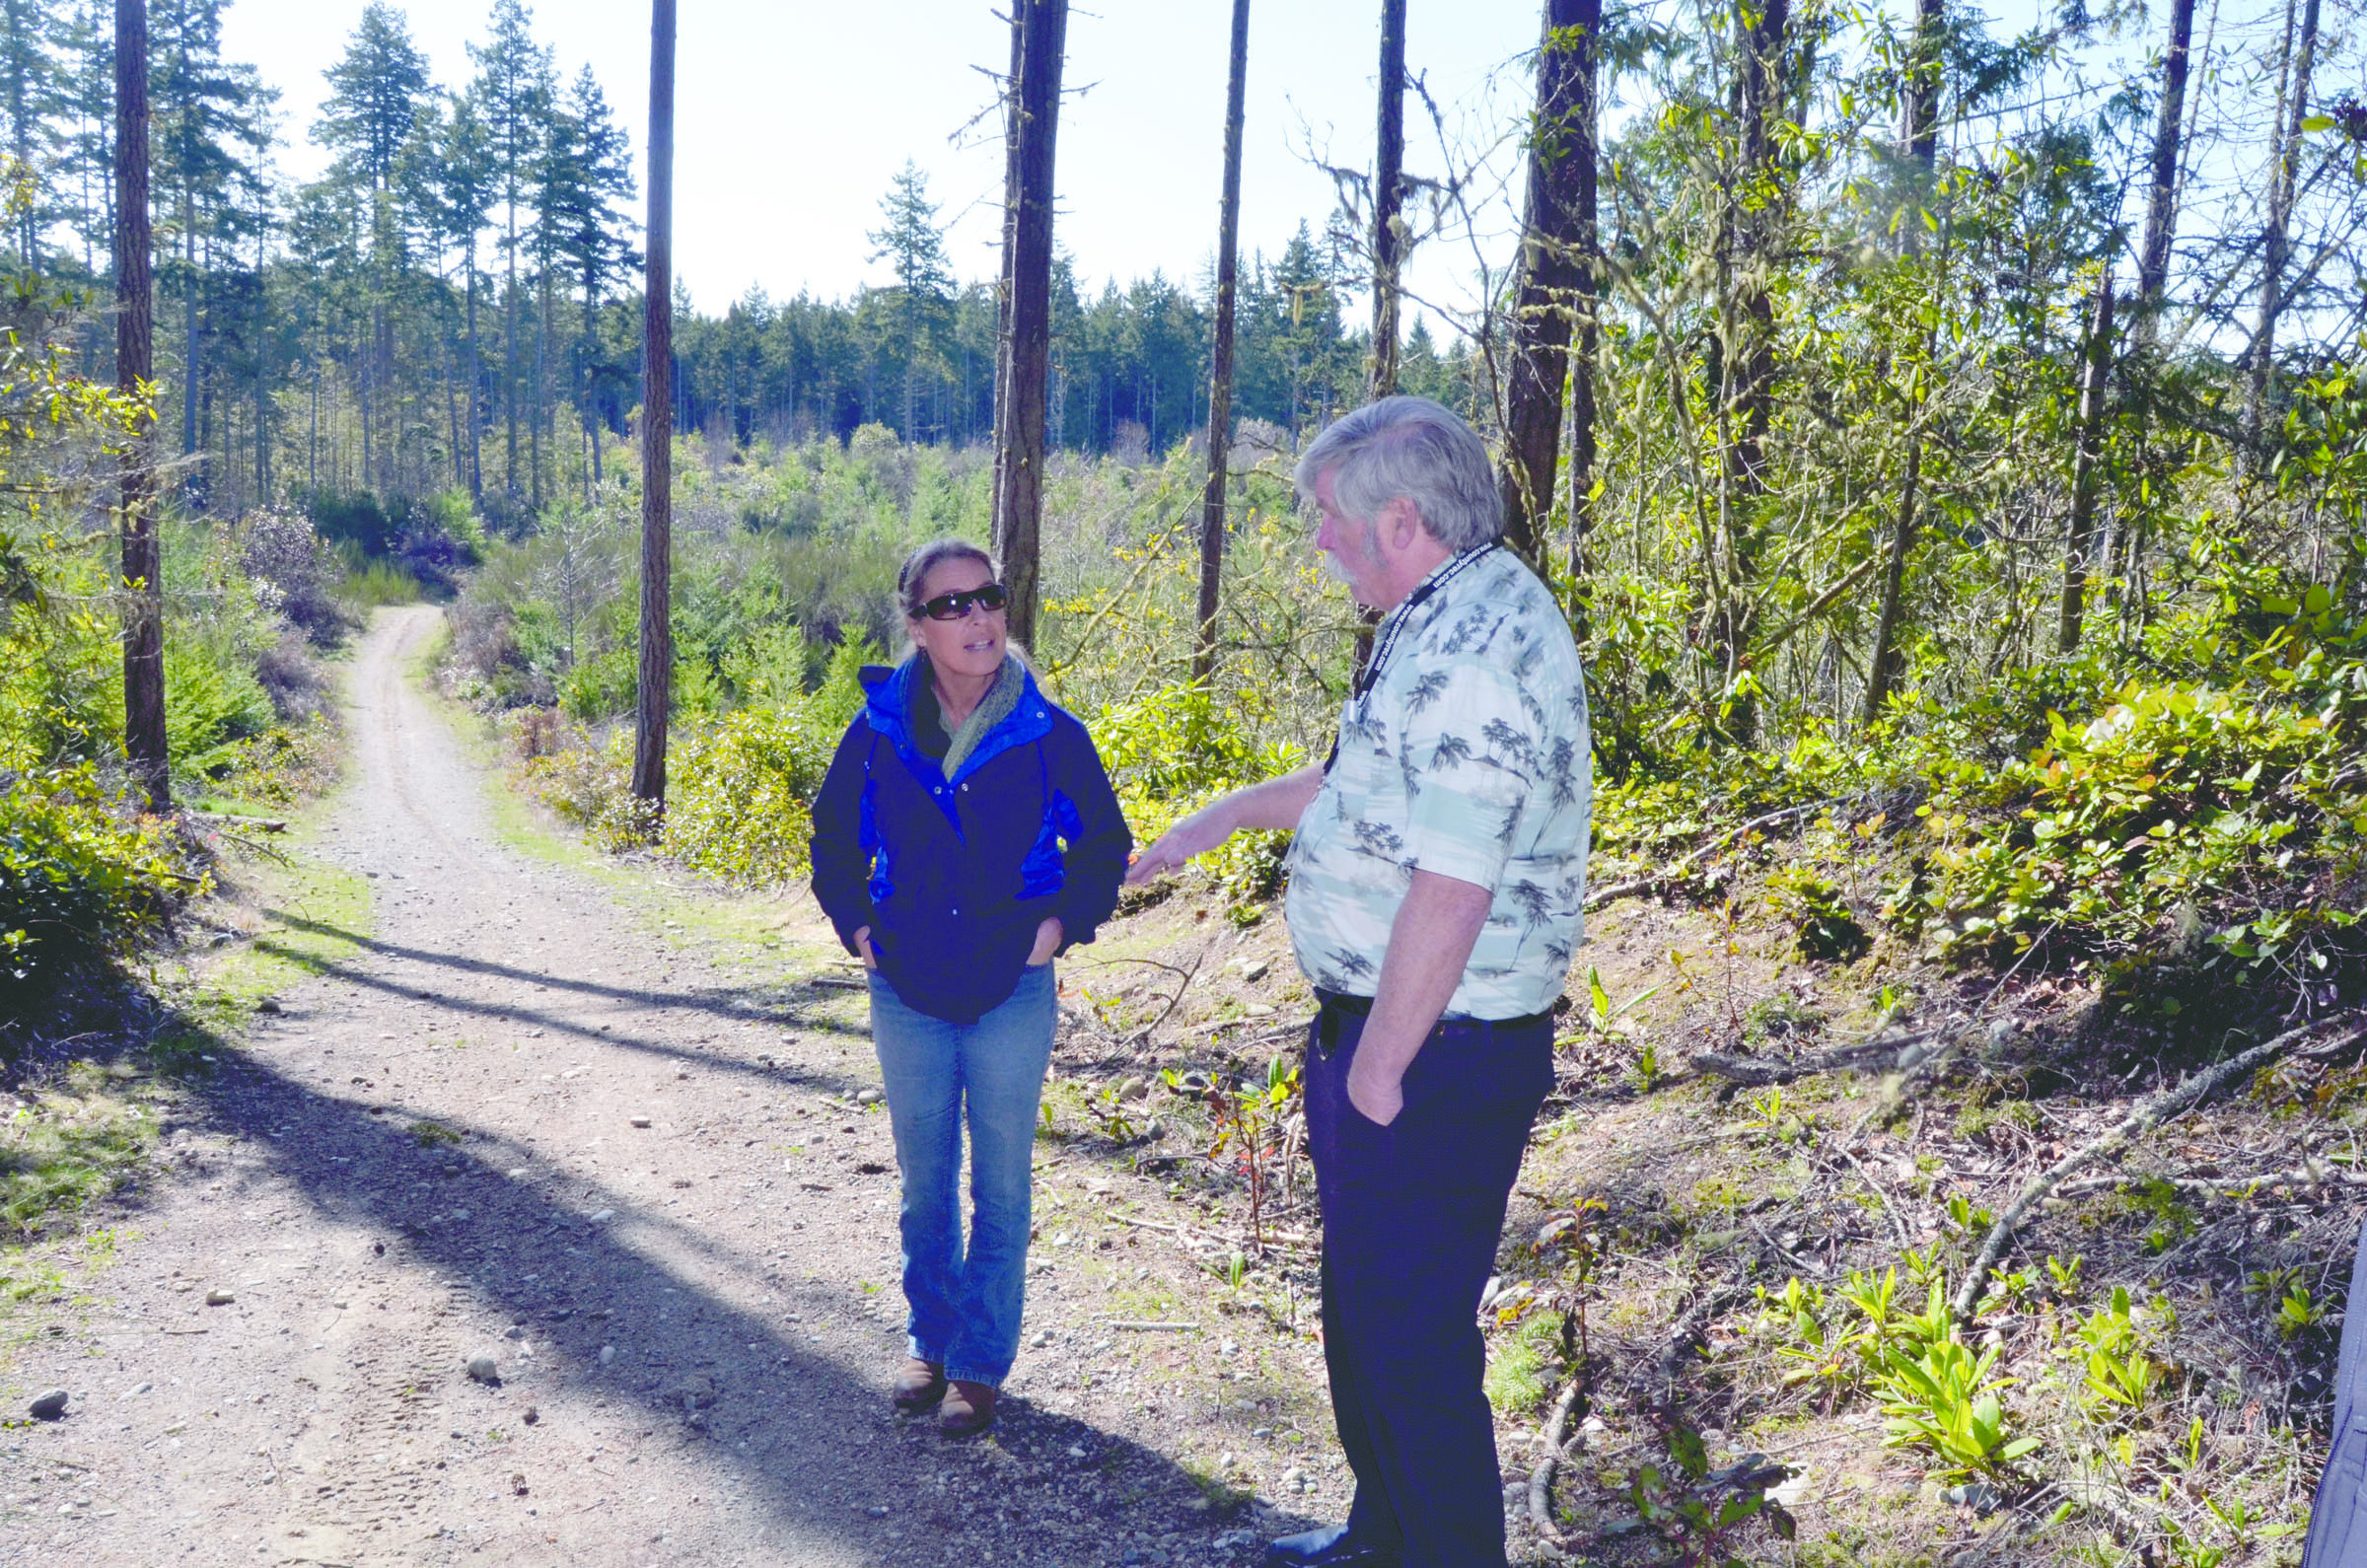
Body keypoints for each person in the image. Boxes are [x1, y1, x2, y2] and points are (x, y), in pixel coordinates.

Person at [1128, 396, 1592, 1567]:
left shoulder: (1485, 646)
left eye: (1328, 518)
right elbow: (1356, 794)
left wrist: (1379, 1068)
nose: (1318, 540)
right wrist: (1214, 822)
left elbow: (1454, 881)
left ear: (1400, 517)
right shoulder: (1433, 619)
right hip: (1389, 1041)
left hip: (1435, 1054)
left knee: (1413, 1344)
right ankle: (1385, 1537)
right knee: (1366, 1323)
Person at [811, 538, 1130, 1436]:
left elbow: (1103, 847)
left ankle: (980, 1363)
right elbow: (834, 844)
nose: (978, 618)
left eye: (987, 598)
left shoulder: (1048, 735)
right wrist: (862, 931)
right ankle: (930, 1340)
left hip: (1009, 991)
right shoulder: (878, 733)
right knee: (924, 1182)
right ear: (917, 627)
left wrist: (1056, 930)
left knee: (1002, 1181)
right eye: (951, 605)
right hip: (907, 988)